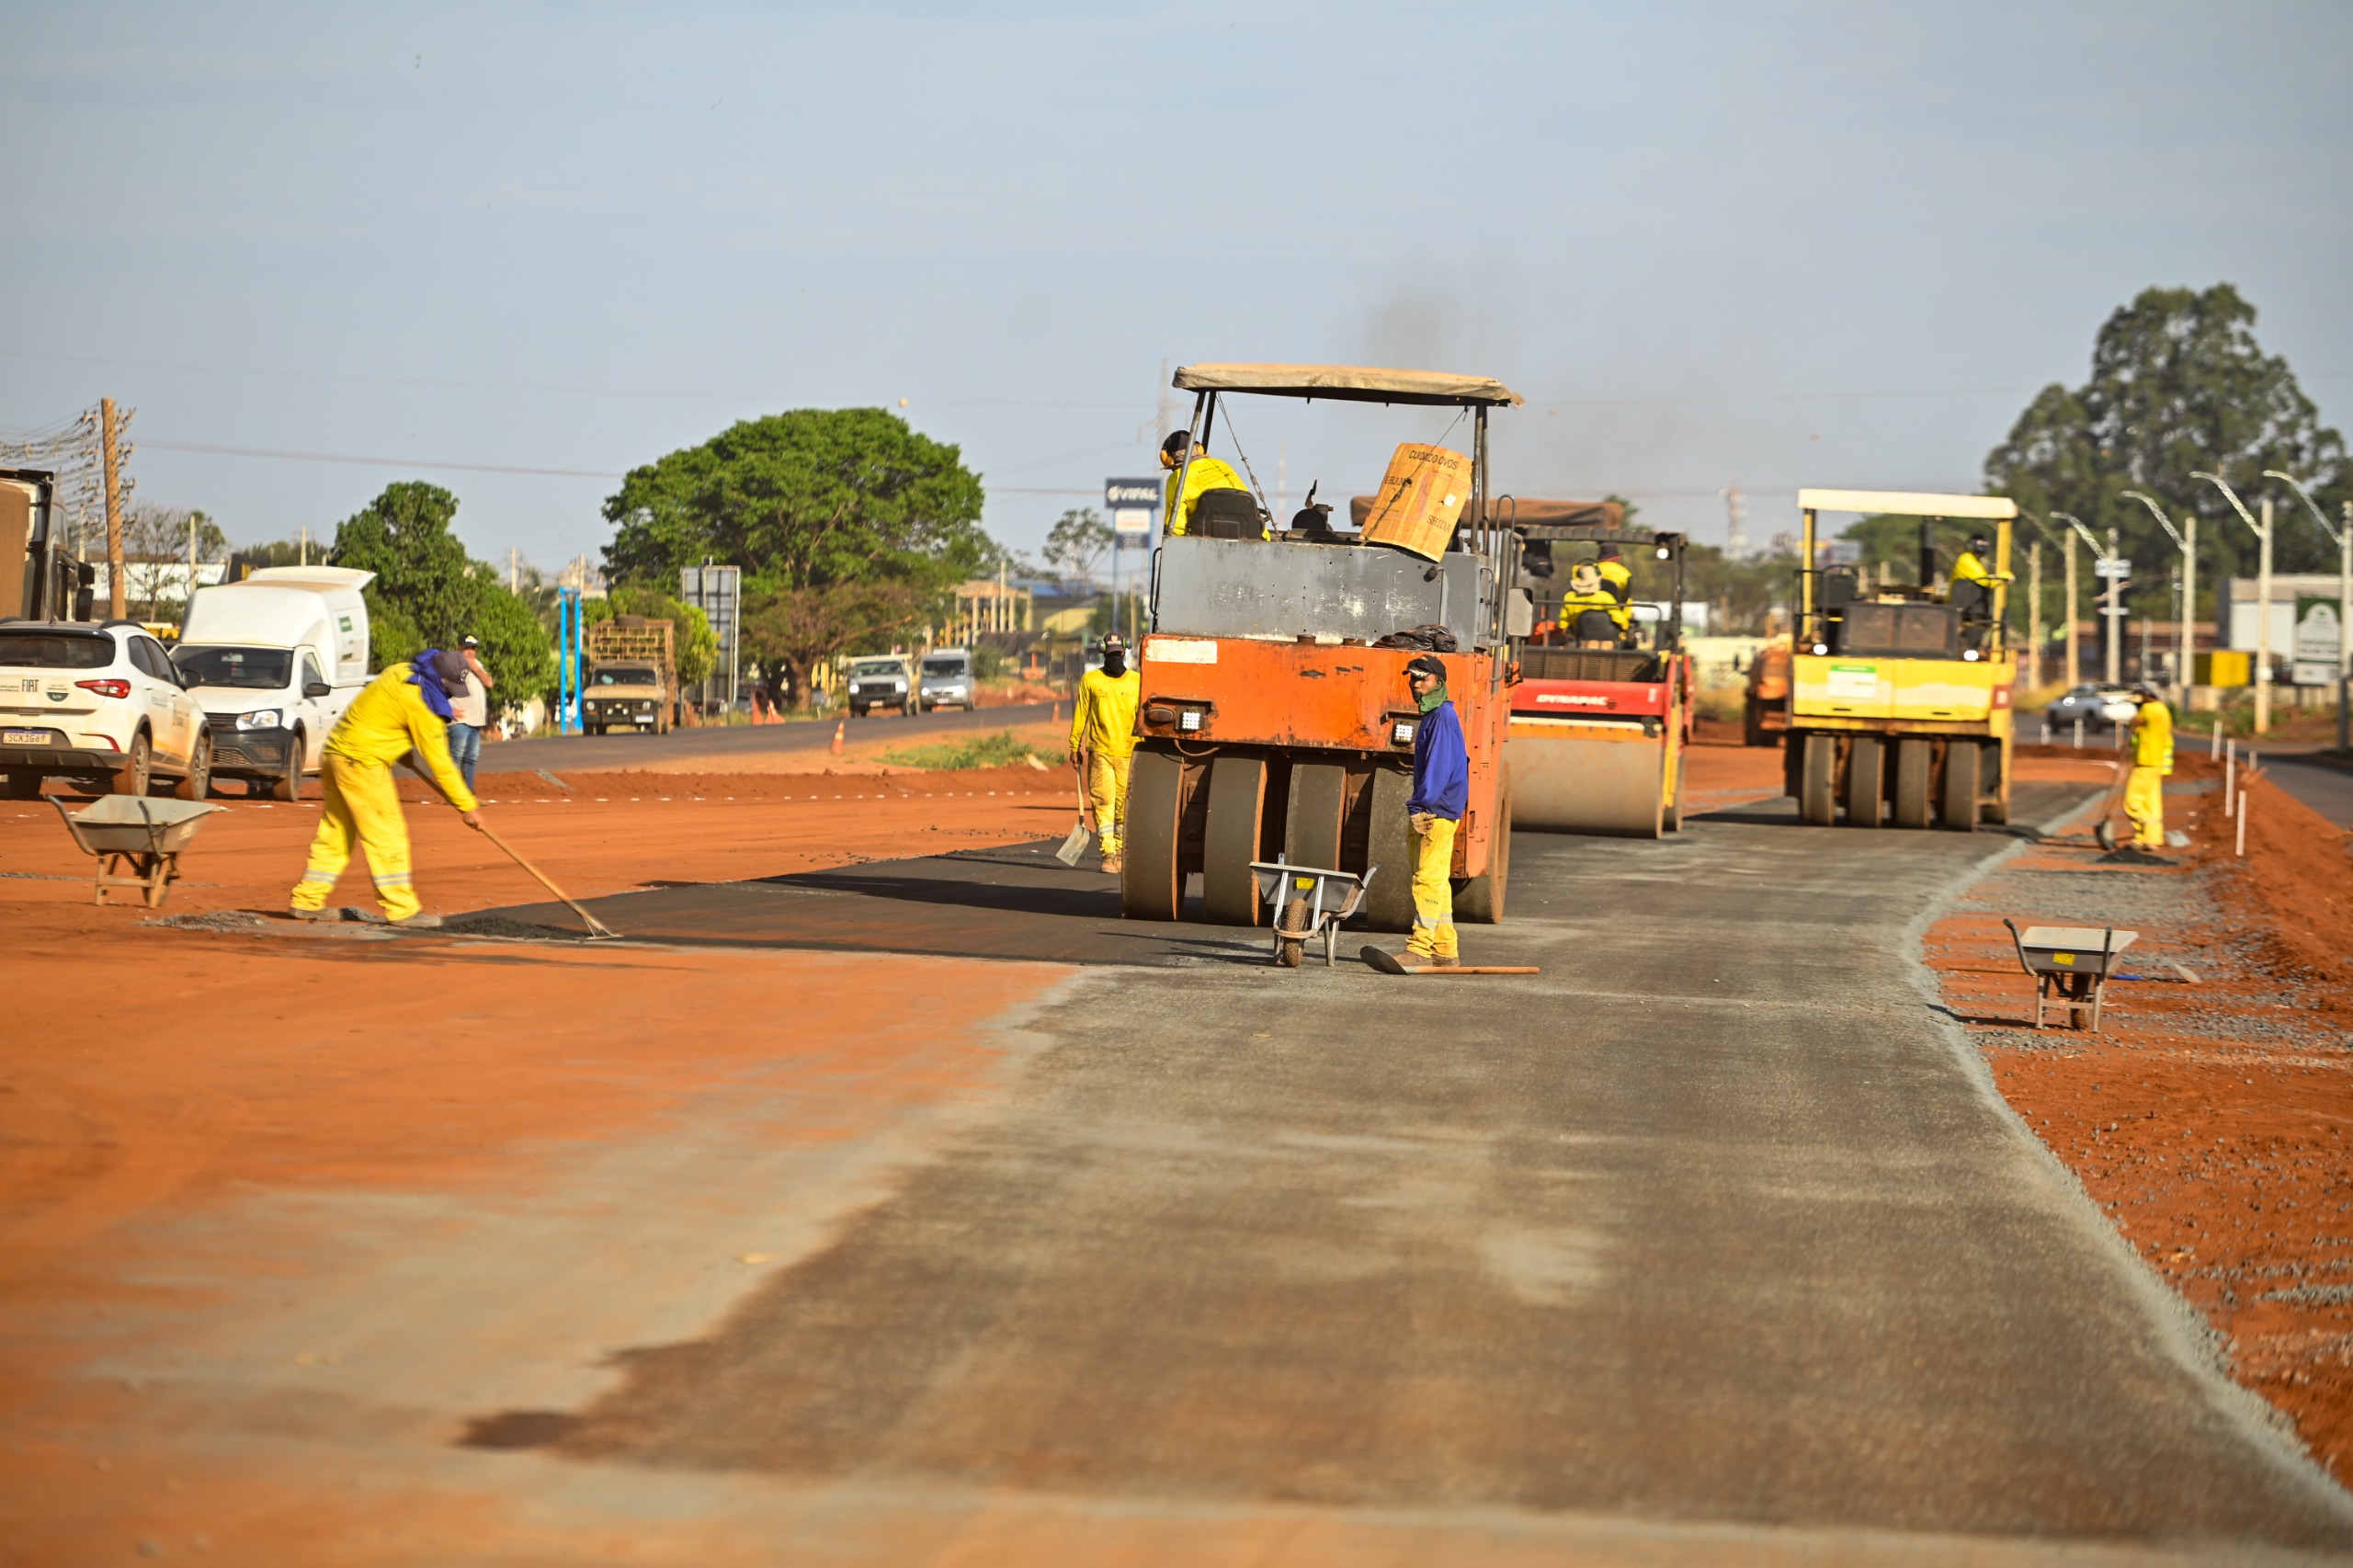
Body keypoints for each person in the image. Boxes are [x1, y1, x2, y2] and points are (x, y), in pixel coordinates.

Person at [289, 647, 483, 928]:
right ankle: (402, 910)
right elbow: (441, 763)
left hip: (335, 755)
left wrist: (402, 749)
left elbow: (384, 713)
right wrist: (466, 806)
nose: (450, 693)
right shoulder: (422, 706)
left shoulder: (400, 671)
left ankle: (307, 900)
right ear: (440, 679)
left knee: (336, 833)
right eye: (449, 687)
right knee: (387, 835)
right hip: (362, 765)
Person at [1392, 653, 1467, 971]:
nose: (1416, 683)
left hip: (1435, 811)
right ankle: (1444, 950)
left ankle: (1420, 948)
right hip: (1438, 808)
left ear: (1439, 682)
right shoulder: (1436, 717)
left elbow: (1438, 769)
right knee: (1436, 880)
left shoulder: (1441, 718)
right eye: (1413, 678)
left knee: (1427, 880)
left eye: (1423, 678)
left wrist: (1421, 805)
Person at [1068, 633, 1141, 874]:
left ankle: (1119, 851)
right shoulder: (1091, 680)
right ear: (1103, 653)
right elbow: (1081, 714)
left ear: (1124, 652)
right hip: (1100, 753)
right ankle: (1108, 854)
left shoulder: (1137, 682)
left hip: (1129, 754)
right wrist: (1074, 746)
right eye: (1111, 655)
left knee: (1123, 807)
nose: (1115, 659)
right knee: (1103, 803)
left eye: (1117, 654)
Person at [1159, 430, 1257, 538]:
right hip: (1250, 536)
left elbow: (1177, 529)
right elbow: (1248, 503)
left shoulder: (1177, 478)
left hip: (1204, 540)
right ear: (1199, 448)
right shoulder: (1223, 465)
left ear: (1167, 458)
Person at [2124, 682, 2174, 848]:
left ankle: (2143, 829)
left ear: (2147, 695)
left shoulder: (2148, 709)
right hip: (2157, 762)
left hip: (2145, 762)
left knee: (2131, 802)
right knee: (2151, 804)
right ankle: (2150, 839)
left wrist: (2137, 709)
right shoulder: (2163, 710)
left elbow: (2134, 722)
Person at [445, 633, 494, 793]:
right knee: (456, 756)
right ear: (459, 648)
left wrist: (475, 668)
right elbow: (443, 686)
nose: (470, 651)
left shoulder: (476, 664)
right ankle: (453, 793)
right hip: (460, 719)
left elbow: (489, 683)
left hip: (475, 720)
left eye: (473, 648)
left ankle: (468, 792)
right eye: (467, 648)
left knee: (471, 757)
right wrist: (449, 710)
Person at [1558, 562, 1622, 646]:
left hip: (1582, 638)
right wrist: (1624, 627)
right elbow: (1618, 618)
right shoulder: (1605, 597)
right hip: (1607, 641)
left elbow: (1564, 622)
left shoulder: (1569, 597)